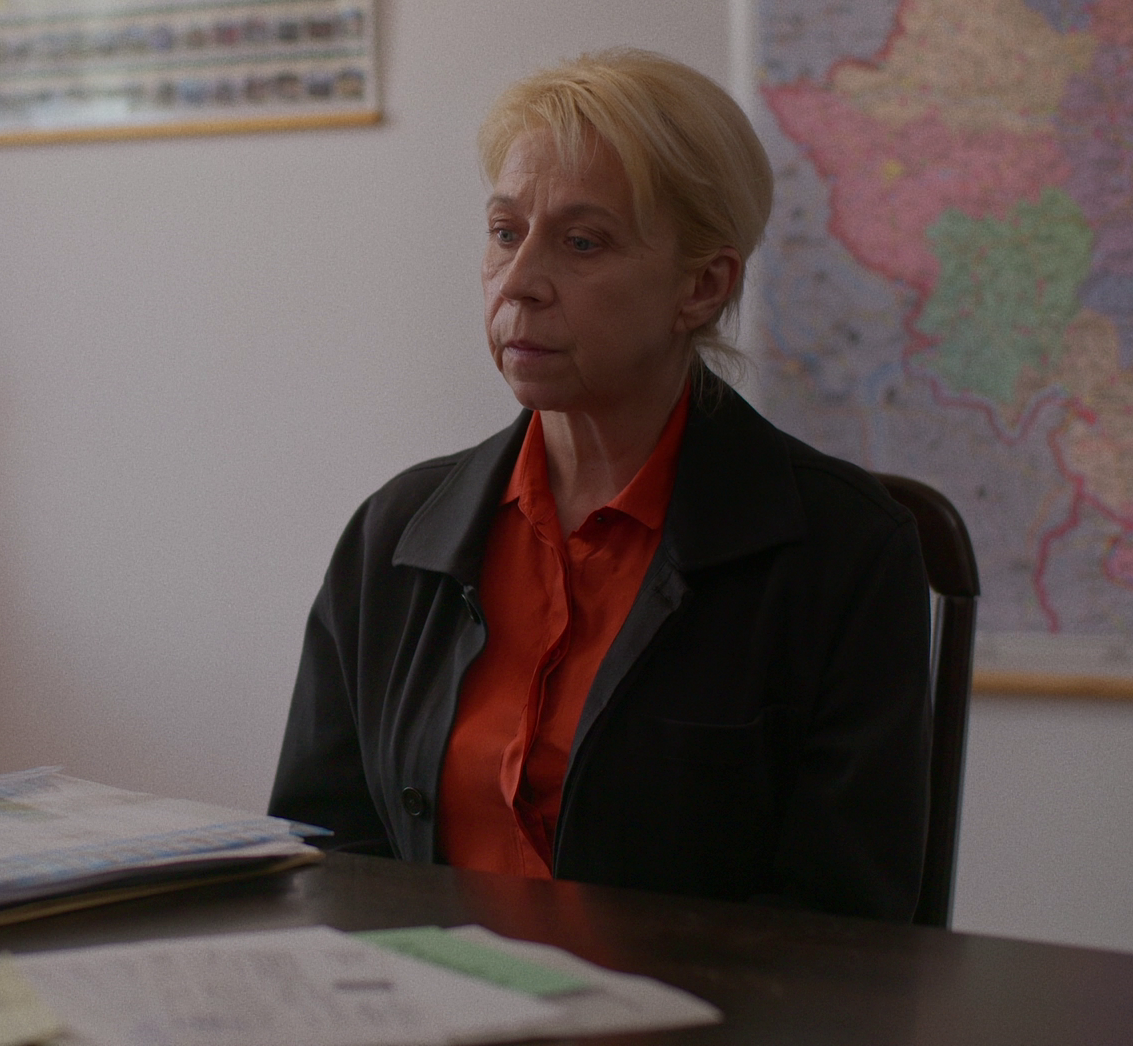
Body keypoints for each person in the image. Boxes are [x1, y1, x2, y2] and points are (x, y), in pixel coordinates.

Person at [268, 49, 931, 922]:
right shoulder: (395, 533)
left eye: (582, 243)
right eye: (506, 232)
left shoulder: (846, 552)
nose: (520, 283)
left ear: (702, 285)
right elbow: (324, 851)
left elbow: (844, 928)